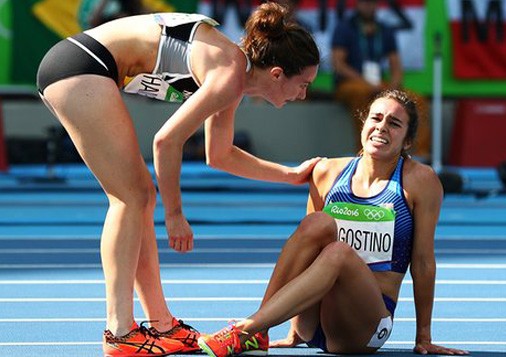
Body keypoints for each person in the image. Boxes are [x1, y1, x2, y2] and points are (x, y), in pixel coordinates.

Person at [36, 3, 321, 356]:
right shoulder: (229, 75)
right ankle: (119, 331)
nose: (303, 95)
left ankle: (162, 324)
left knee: (138, 194)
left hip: (81, 65)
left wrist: (290, 175)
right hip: (81, 65)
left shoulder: (234, 76)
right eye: (303, 84)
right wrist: (175, 215)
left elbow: (219, 154)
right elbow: (166, 140)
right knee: (131, 196)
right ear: (277, 74)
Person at [197, 89, 468, 356]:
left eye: (394, 123)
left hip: (364, 328)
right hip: (311, 321)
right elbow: (304, 252)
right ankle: (259, 332)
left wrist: (424, 337)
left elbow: (422, 262)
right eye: (376, 118)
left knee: (338, 253)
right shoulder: (327, 171)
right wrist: (294, 332)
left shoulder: (420, 181)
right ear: (364, 124)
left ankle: (247, 329)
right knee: (317, 224)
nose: (381, 127)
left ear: (407, 142)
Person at [331, 0, 430, 160]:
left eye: (372, 3)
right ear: (357, 4)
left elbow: (396, 66)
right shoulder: (345, 27)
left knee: (417, 100)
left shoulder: (384, 29)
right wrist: (365, 82)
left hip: (378, 84)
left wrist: (393, 88)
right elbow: (338, 64)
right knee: (363, 95)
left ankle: (421, 156)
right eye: (365, 3)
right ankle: (365, 152)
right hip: (351, 84)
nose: (368, 6)